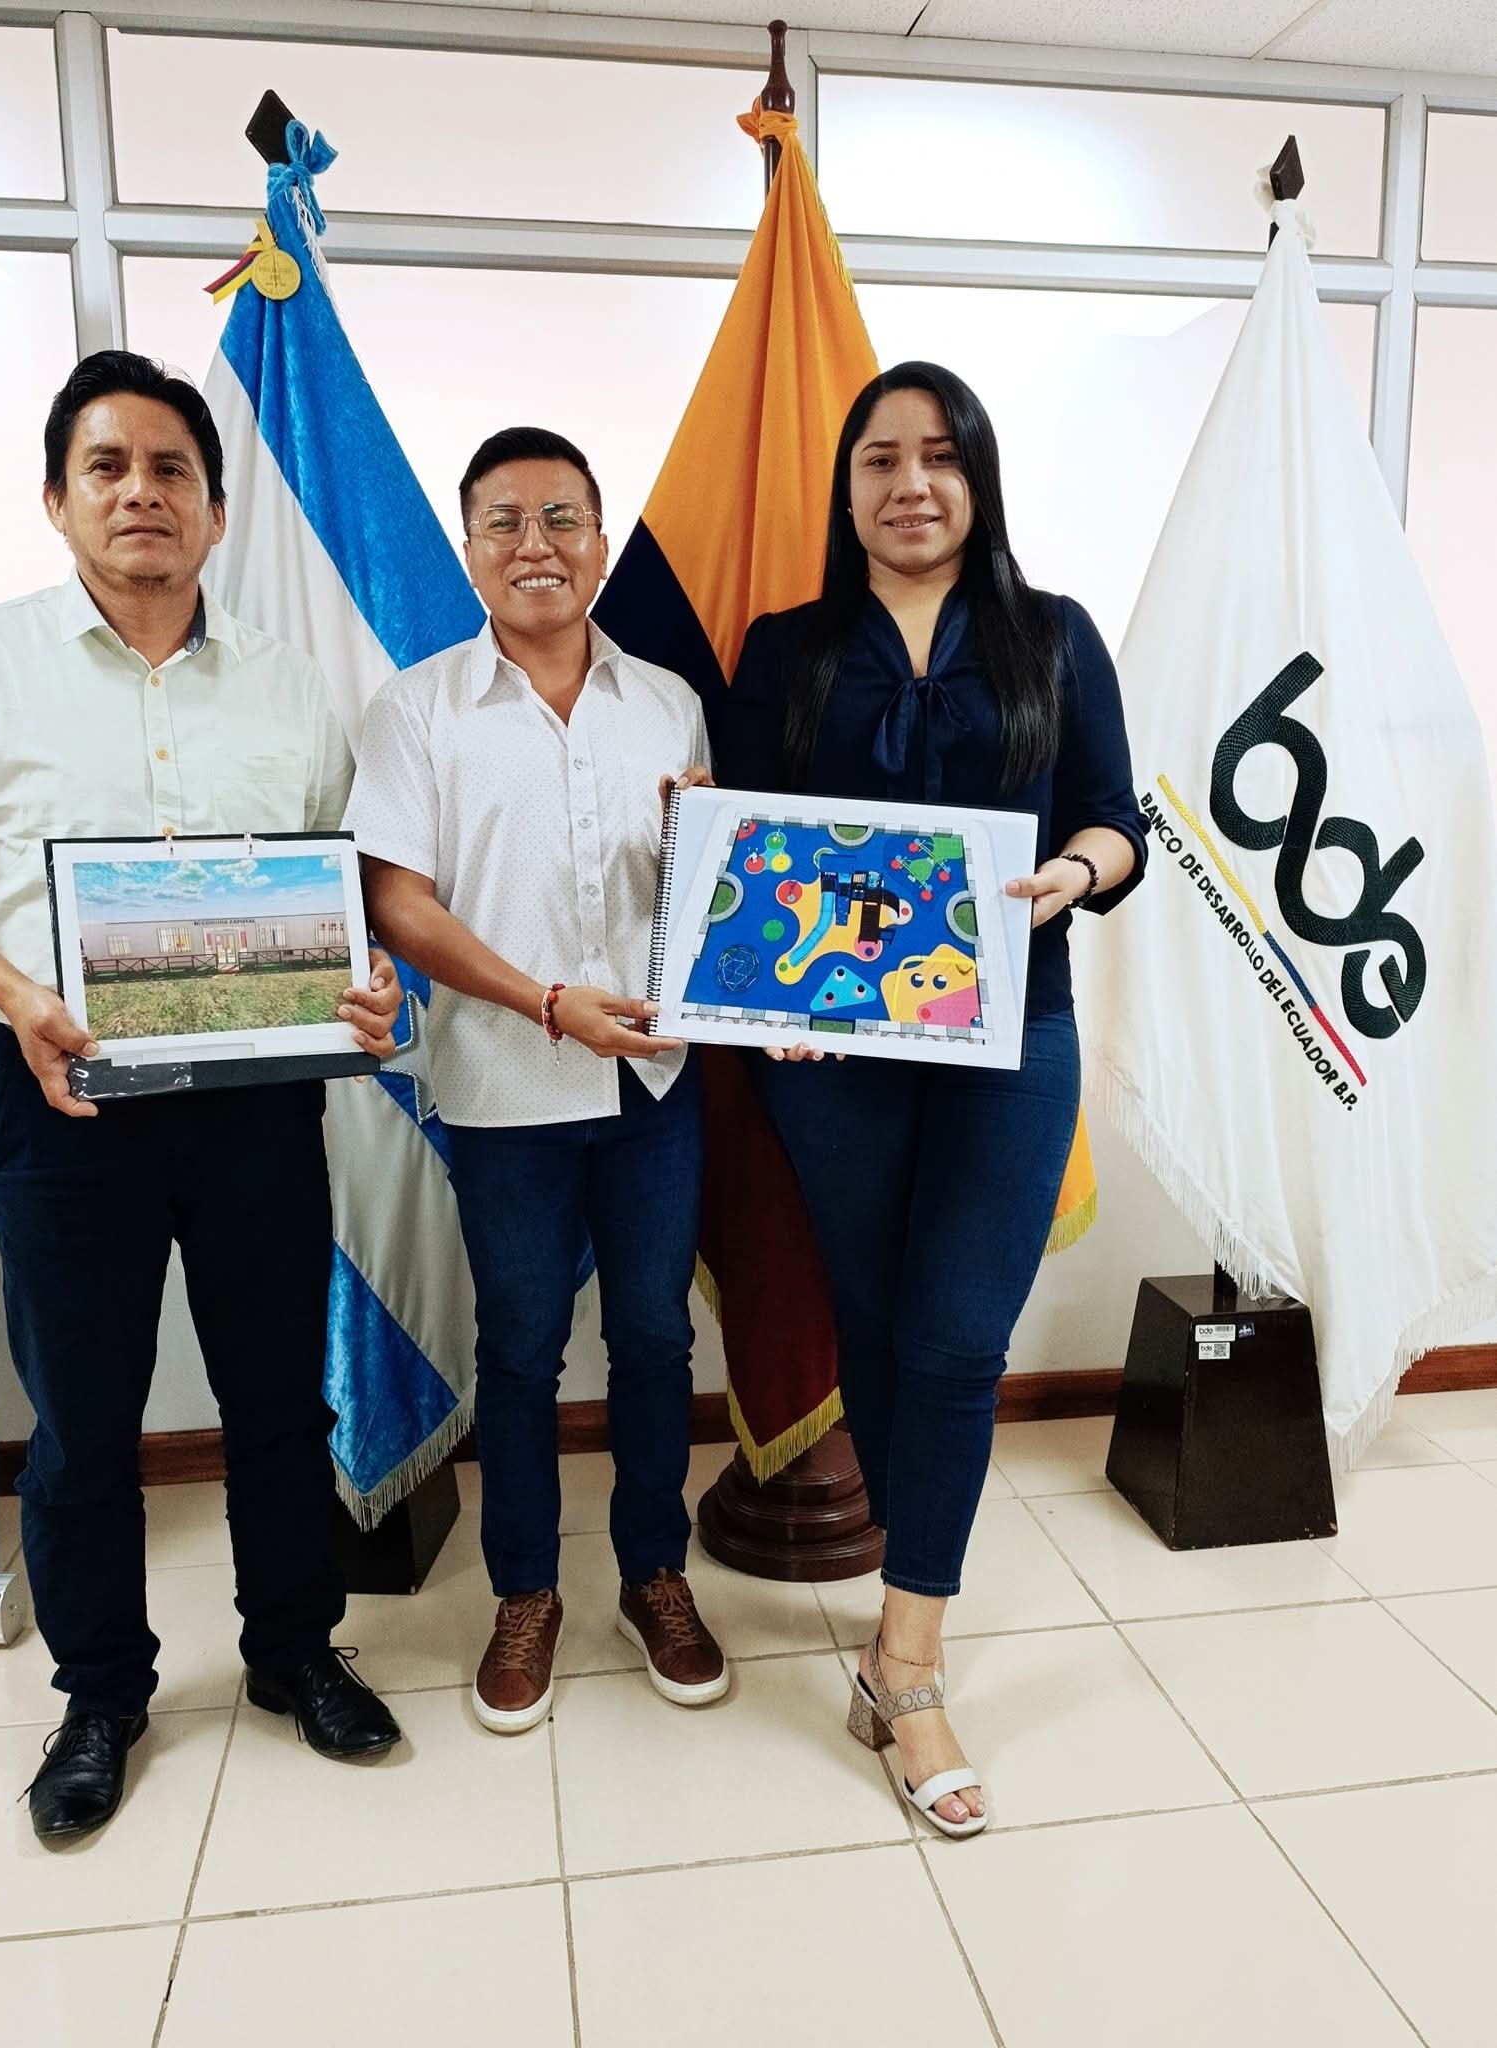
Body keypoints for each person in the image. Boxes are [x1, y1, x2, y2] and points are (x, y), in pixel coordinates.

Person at [0, 351, 402, 1845]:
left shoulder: (291, 686)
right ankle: (99, 1695)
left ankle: (295, 1651)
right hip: (62, 1099)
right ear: (57, 498)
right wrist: (18, 993)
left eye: (170, 470)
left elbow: (335, 890)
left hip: (258, 1105)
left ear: (216, 512)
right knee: (83, 1425)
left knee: (278, 1398)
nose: (140, 492)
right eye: (107, 466)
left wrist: (362, 985)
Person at [718, 361, 1146, 1837]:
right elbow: (748, 845)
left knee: (961, 1338)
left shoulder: (1053, 637)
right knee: (877, 1326)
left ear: (978, 477)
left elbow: (1116, 818)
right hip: (833, 1056)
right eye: (880, 460)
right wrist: (763, 997)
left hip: (1011, 1034)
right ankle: (911, 1600)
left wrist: (1072, 873)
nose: (910, 484)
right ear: (846, 490)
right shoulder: (787, 649)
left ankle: (905, 1668)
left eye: (939, 455)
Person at [346, 426, 727, 1734]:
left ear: (601, 541)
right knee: (517, 1350)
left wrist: (701, 847)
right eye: (503, 522)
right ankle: (525, 1593)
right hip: (506, 1088)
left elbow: (708, 893)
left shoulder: (666, 701)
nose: (535, 545)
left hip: (654, 1089)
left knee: (656, 1342)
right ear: (469, 551)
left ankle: (655, 1575)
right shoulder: (417, 710)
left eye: (562, 518)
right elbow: (398, 902)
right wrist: (547, 1004)